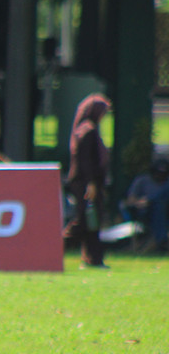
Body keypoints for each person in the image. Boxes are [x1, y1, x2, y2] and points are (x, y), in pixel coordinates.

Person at [63, 93, 112, 268]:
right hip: (86, 183)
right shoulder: (88, 130)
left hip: (88, 183)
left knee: (91, 221)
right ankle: (55, 248)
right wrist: (91, 183)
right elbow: (85, 160)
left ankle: (93, 258)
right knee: (84, 221)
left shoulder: (86, 128)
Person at [122, 157, 169, 252]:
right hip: (144, 212)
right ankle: (161, 239)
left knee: (159, 204)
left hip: (164, 211)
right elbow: (130, 200)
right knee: (156, 205)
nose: (160, 176)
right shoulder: (142, 181)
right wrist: (141, 202)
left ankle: (161, 240)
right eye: (158, 173)